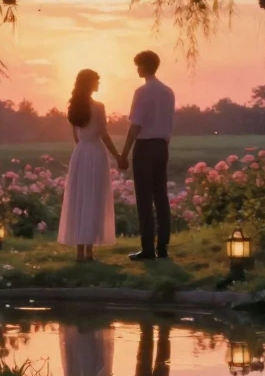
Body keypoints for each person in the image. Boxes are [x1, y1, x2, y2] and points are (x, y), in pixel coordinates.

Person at [118, 50, 176, 261]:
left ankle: (148, 249)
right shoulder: (168, 92)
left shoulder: (142, 92)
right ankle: (163, 247)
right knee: (161, 197)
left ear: (144, 66)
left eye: (138, 65)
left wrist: (124, 153)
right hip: (162, 146)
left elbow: (135, 125)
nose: (137, 69)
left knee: (144, 198)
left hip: (144, 147)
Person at [57, 69, 120, 262]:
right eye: (96, 81)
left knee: (80, 197)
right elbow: (104, 134)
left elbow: (76, 136)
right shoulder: (98, 107)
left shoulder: (74, 107)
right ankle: (89, 251)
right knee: (93, 197)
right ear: (90, 83)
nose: (98, 84)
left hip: (80, 152)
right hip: (95, 152)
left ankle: (79, 251)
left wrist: (83, 149)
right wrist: (117, 155)